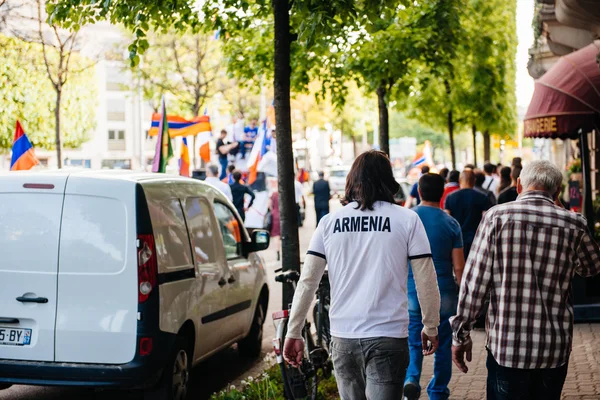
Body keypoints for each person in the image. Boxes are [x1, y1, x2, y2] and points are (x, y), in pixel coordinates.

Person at [283, 150, 441, 400]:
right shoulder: (407, 220)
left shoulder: (329, 222)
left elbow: (308, 281)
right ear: (388, 181)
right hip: (388, 335)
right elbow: (426, 278)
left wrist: (294, 331)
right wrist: (430, 324)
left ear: (351, 180)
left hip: (343, 336)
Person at [450, 160, 600, 400]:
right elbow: (592, 268)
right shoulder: (574, 224)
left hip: (508, 348)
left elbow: (474, 283)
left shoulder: (495, 218)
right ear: (558, 192)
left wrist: (460, 335)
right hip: (554, 348)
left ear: (519, 185)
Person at [404, 173, 465, 400]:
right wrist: (462, 289)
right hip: (444, 289)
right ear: (442, 194)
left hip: (413, 289)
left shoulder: (408, 218)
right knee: (444, 340)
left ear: (419, 192)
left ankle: (411, 377)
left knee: (413, 335)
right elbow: (458, 265)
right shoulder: (451, 223)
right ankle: (438, 390)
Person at [444, 169, 491, 258]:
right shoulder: (482, 197)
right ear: (474, 181)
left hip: (457, 239)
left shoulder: (450, 197)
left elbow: (447, 219)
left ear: (460, 180)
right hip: (476, 238)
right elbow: (486, 218)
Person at [268, 188, 281, 261]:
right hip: (284, 216)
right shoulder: (287, 194)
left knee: (276, 236)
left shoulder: (273, 194)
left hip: (275, 216)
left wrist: (272, 210)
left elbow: (269, 205)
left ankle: (277, 251)